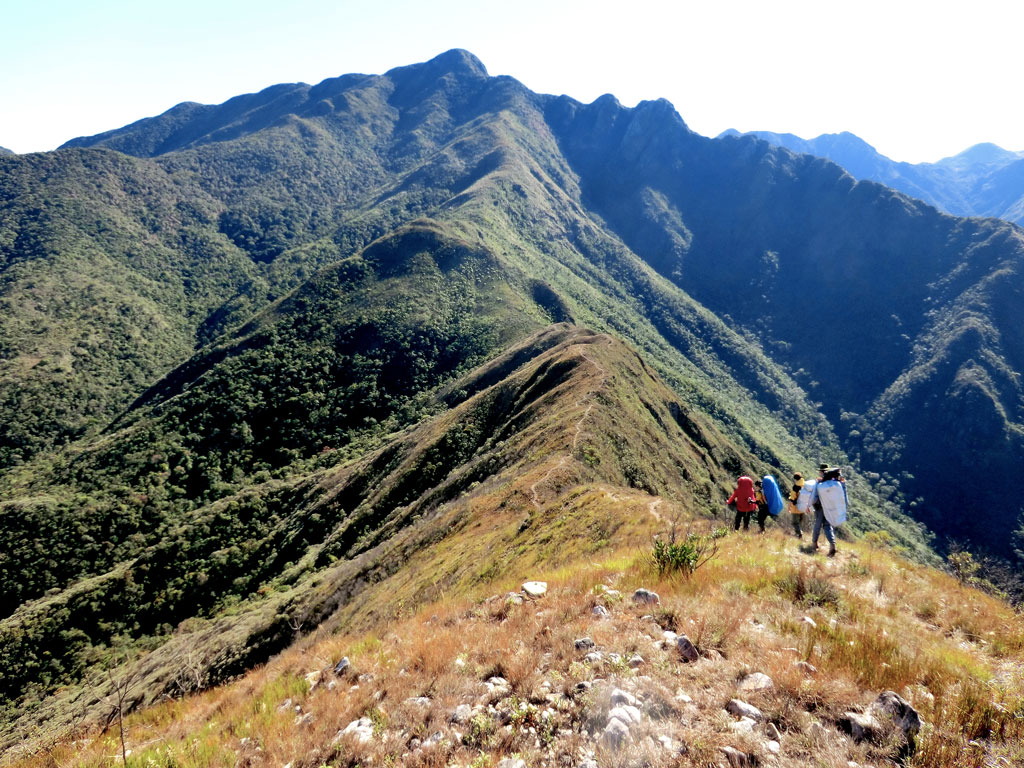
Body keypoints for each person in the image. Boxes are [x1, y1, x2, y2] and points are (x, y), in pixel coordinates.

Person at [811, 465, 847, 557]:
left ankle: (814, 543)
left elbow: (815, 496)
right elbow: (842, 496)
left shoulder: (820, 485)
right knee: (828, 526)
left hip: (820, 507)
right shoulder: (836, 484)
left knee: (817, 525)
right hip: (831, 508)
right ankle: (832, 545)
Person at [788, 472, 805, 538]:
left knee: (795, 522)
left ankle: (799, 534)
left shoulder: (795, 487)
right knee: (800, 522)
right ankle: (798, 533)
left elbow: (792, 497)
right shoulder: (804, 485)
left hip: (796, 507)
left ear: (795, 479)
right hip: (803, 507)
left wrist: (789, 506)